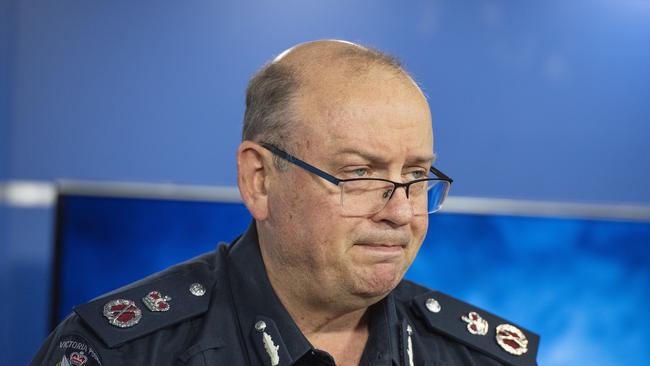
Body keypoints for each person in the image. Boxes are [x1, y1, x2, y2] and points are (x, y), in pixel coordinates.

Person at [31, 40, 538, 366]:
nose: (402, 212)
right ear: (259, 179)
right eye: (359, 174)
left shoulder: (485, 357)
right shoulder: (120, 352)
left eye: (416, 176)